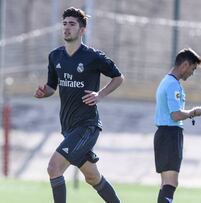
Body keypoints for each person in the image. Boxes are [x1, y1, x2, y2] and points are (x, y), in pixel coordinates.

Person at [34, 7, 124, 203]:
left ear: (82, 30)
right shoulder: (55, 56)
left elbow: (118, 77)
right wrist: (44, 93)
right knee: (92, 177)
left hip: (87, 126)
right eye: (64, 24)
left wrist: (100, 95)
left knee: (53, 168)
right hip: (68, 127)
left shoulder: (93, 57)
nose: (67, 28)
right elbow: (51, 86)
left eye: (72, 24)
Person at [153, 48, 201, 203]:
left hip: (165, 134)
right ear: (184, 65)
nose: (192, 73)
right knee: (171, 182)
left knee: (166, 184)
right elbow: (175, 114)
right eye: (193, 68)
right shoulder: (172, 84)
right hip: (169, 135)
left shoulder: (167, 81)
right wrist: (194, 112)